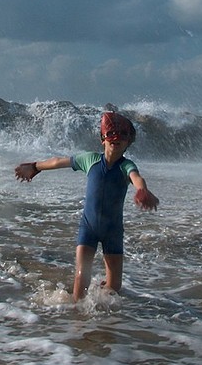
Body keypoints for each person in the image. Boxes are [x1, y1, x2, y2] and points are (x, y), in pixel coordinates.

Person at [15, 112, 160, 303]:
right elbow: (59, 161)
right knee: (81, 277)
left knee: (115, 286)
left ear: (128, 143)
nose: (115, 140)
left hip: (113, 231)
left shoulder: (126, 166)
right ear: (103, 139)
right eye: (111, 135)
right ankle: (78, 318)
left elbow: (137, 178)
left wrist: (143, 191)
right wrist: (35, 166)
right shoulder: (89, 159)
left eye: (122, 137)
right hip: (88, 228)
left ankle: (104, 317)